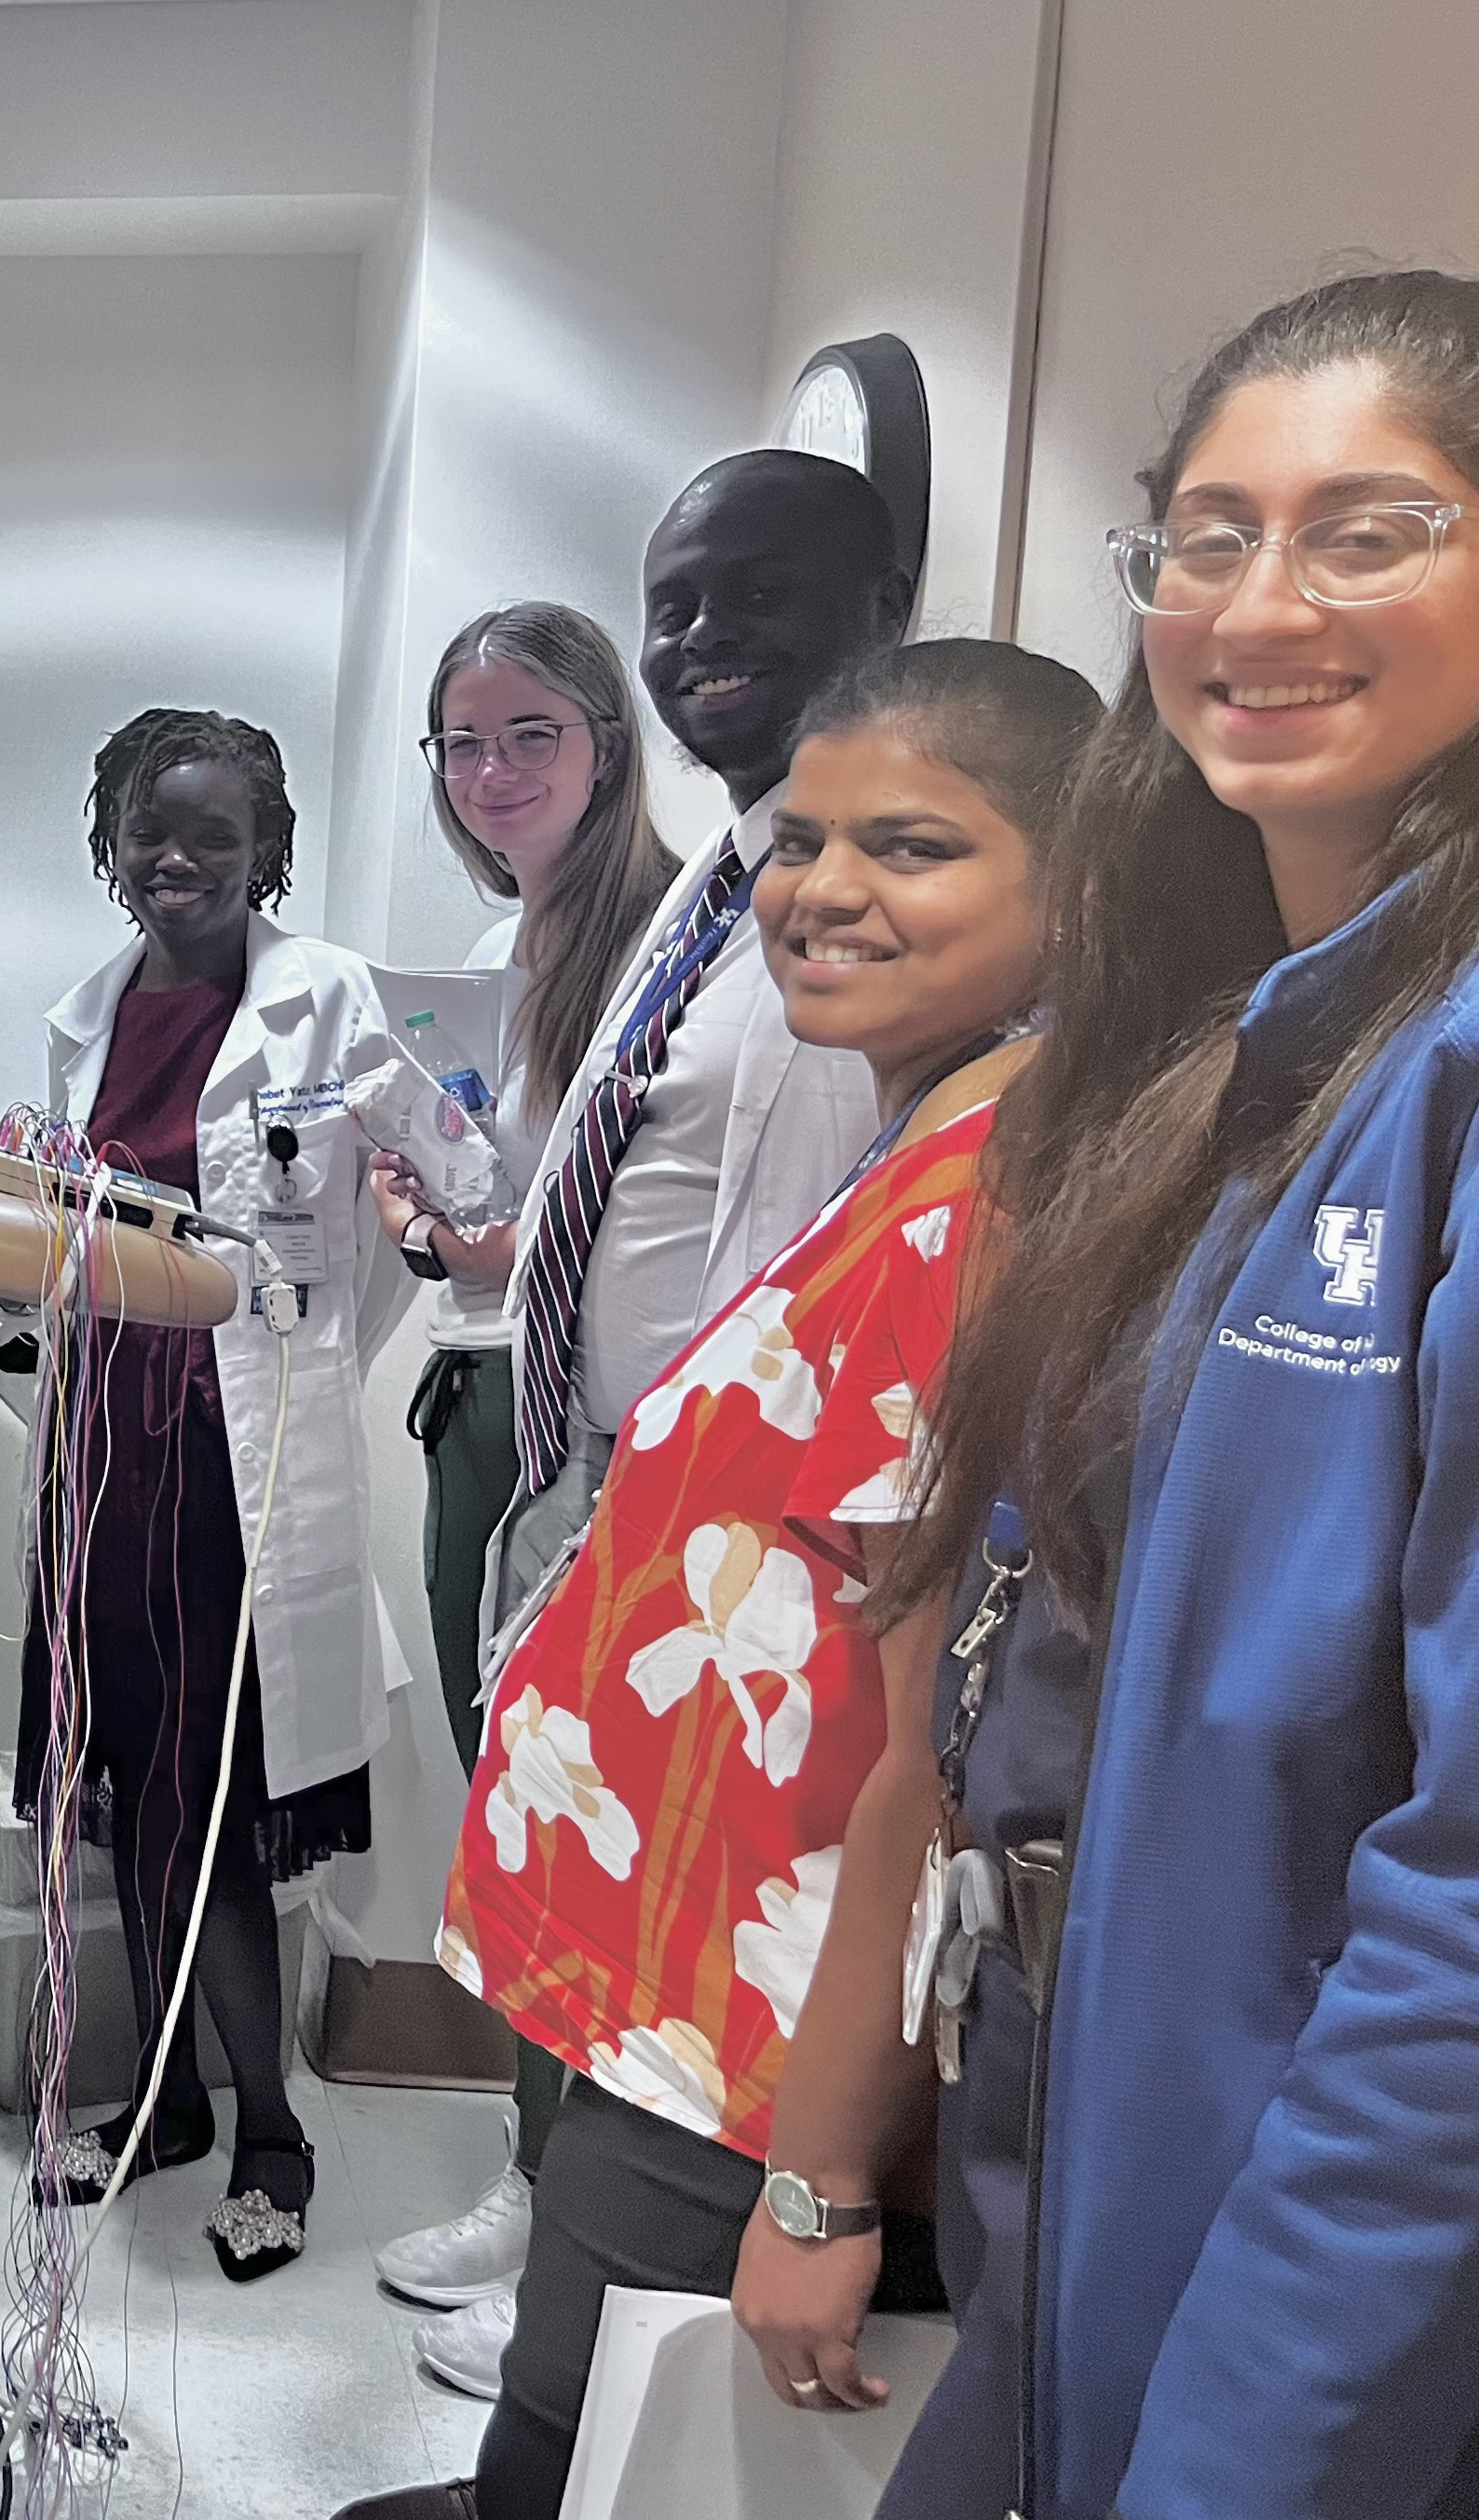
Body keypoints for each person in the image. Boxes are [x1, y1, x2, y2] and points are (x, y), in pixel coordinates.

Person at [821, 269, 1479, 2520]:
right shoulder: (1222, 1054)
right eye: (1207, 536)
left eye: (1367, 530)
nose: (1261, 602)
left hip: (1314, 2223)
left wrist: (1253, 2444)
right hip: (1070, 2112)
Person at [338, 637, 1095, 2520]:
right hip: (678, 2000)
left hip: (758, 2058)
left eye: (913, 848)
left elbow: (941, 1747)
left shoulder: (983, 1211)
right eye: (807, 842)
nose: (826, 889)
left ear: (1078, 883)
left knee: (591, 2458)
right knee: (560, 2435)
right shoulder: (918, 1145)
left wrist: (825, 2177)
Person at [380, 449, 908, 2398]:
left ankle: (596, 2311)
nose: (701, 638)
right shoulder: (715, 874)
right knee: (567, 1864)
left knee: (660, 1918)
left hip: (725, 1518)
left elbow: (795, 1257)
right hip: (592, 1480)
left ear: (880, 600)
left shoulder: (834, 886)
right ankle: (566, 2264)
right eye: (674, 600)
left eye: (744, 596)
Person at [20, 708, 414, 2281]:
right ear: (109, 842)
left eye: (213, 837)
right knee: (119, 1785)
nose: (176, 859)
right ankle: (163, 2101)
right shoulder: (79, 1020)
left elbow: (412, 1212)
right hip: (94, 1449)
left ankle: (272, 2130)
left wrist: (299, 1370)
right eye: (148, 831)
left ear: (268, 856)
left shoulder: (325, 1002)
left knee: (220, 1815)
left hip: (226, 1465)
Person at [363, 604, 681, 2381]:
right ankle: (531, 2175)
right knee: (513, 1803)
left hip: (603, 1436)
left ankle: (578, 2237)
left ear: (605, 743)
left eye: (527, 736)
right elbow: (519, 1204)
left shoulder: (674, 932)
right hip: (483, 1398)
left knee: (588, 1821)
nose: (490, 777)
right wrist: (432, 1225)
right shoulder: (512, 940)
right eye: (460, 746)